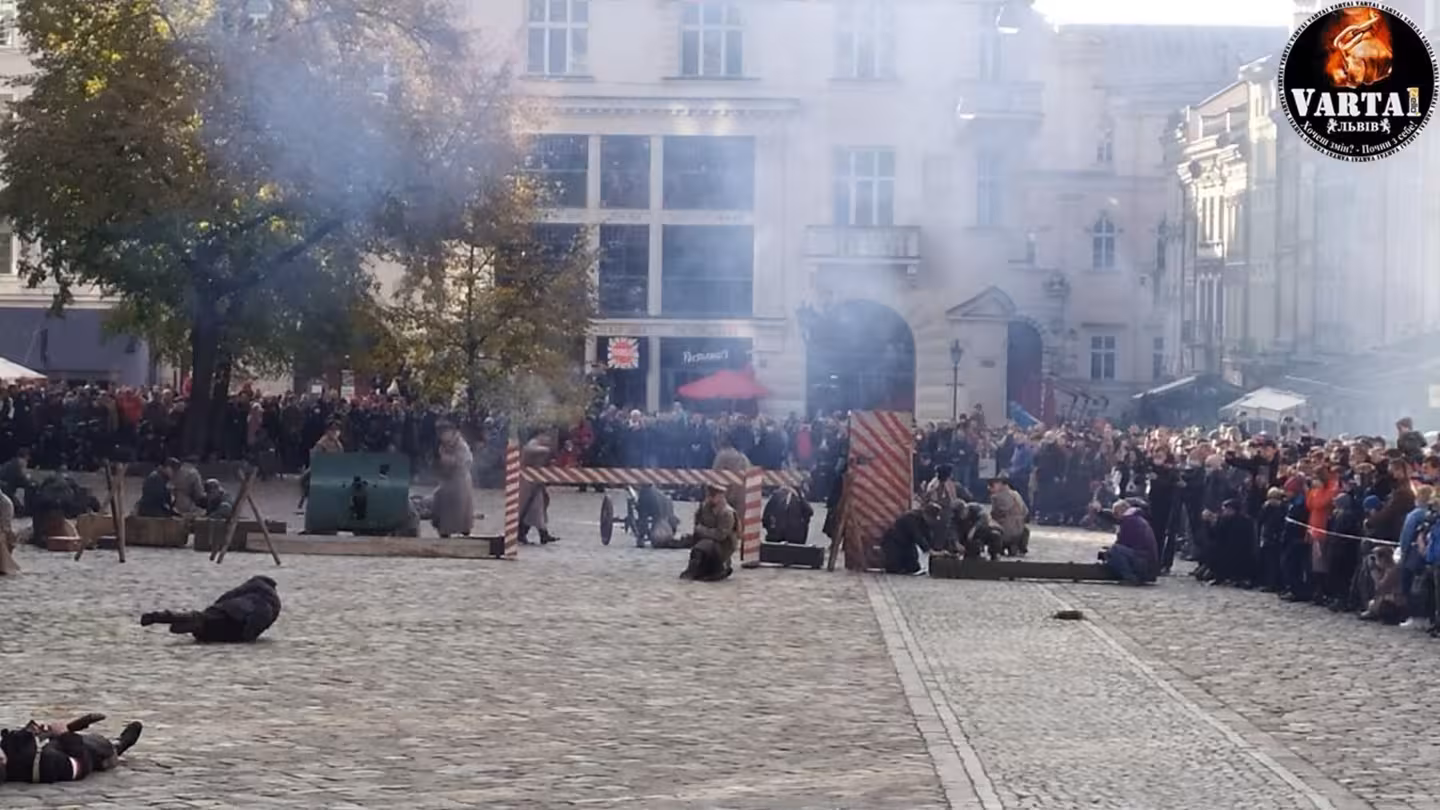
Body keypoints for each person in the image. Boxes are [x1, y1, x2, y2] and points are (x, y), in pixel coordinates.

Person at [1, 714, 143, 784]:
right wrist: (65, 734)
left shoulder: (7, 748)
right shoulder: (45, 764)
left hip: (49, 742)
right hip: (84, 751)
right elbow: (81, 763)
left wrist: (36, 730)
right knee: (100, 747)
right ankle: (119, 745)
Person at [140, 575, 282, 643]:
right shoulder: (271, 601)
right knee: (206, 625)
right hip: (236, 623)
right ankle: (193, 624)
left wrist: (213, 607)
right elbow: (262, 615)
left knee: (203, 618)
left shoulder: (248, 589)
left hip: (224, 609)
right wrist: (247, 638)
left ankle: (170, 617)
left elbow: (227, 595)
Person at [680, 484, 739, 582]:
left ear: (720, 496)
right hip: (706, 544)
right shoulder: (704, 508)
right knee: (700, 548)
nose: (709, 498)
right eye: (709, 495)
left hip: (723, 546)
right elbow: (697, 524)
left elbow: (720, 535)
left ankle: (699, 571)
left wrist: (702, 530)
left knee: (702, 547)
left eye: (712, 496)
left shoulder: (727, 513)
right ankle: (696, 569)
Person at [1100, 499, 1159, 585]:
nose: (1115, 517)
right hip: (1144, 560)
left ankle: (1130, 578)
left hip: (1144, 562)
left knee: (1115, 550)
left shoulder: (1130, 521)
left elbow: (1123, 543)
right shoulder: (1134, 519)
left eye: (1116, 513)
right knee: (1113, 551)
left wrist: (1109, 552)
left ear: (1123, 511)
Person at [432, 421, 475, 538]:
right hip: (447, 479)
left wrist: (451, 460)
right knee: (441, 503)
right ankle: (444, 530)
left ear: (451, 432)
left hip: (460, 480)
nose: (442, 436)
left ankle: (464, 529)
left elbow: (467, 461)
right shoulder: (443, 446)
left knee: (461, 507)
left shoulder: (461, 445)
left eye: (444, 433)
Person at [518, 432, 556, 544]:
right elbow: (528, 449)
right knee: (533, 509)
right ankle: (541, 534)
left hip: (536, 482)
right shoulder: (533, 444)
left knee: (536, 509)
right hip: (527, 482)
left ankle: (540, 533)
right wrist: (547, 449)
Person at [880, 503, 937, 575]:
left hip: (907, 544)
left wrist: (935, 549)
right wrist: (928, 549)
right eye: (932, 519)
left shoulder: (924, 521)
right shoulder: (911, 517)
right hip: (894, 542)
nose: (932, 521)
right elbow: (916, 535)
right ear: (926, 514)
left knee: (913, 567)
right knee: (895, 568)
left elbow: (928, 536)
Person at [987, 476, 1030, 557]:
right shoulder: (1016, 494)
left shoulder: (996, 497)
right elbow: (1026, 512)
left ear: (1000, 484)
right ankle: (1018, 546)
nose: (989, 488)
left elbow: (995, 515)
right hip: (1020, 530)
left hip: (1006, 532)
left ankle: (999, 547)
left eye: (992, 485)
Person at [0, 447, 34, 515]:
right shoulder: (21, 462)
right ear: (26, 456)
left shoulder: (12, 461)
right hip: (6, 486)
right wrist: (31, 481)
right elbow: (22, 476)